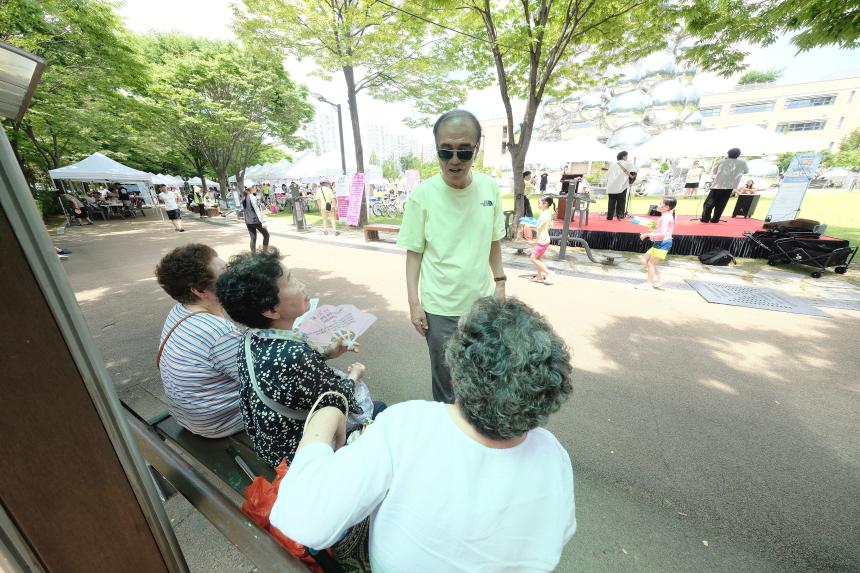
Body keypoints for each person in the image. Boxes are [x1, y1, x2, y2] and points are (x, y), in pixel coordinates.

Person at [270, 297, 576, 572]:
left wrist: (327, 411)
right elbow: (558, 537)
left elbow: (303, 519)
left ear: (457, 365)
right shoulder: (552, 455)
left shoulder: (410, 425)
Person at [215, 250, 366, 467]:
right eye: (291, 281)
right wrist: (354, 374)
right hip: (300, 455)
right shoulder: (295, 355)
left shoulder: (250, 337)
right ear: (270, 310)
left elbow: (292, 382)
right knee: (382, 412)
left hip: (270, 445)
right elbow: (337, 402)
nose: (302, 285)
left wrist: (327, 354)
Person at [397, 109, 506, 404]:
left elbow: (494, 241)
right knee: (446, 382)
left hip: (481, 305)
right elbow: (414, 254)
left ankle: (479, 434)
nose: (454, 161)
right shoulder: (423, 195)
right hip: (439, 308)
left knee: (483, 374)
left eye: (463, 151)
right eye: (446, 152)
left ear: (476, 149)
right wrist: (414, 304)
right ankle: (447, 437)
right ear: (437, 151)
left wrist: (500, 283)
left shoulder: (490, 189)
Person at [154, 244, 244, 438]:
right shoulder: (218, 332)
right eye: (224, 271)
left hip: (188, 417)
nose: (233, 274)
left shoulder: (180, 311)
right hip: (220, 424)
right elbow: (261, 378)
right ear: (200, 291)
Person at [636, 196, 677, 290]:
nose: (657, 205)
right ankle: (660, 277)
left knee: (650, 263)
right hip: (660, 242)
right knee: (644, 260)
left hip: (663, 243)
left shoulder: (666, 217)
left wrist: (647, 234)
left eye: (660, 203)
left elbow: (662, 234)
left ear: (666, 207)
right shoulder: (666, 215)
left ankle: (649, 284)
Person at [702, 148, 748, 223]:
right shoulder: (743, 163)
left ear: (728, 153)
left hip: (718, 185)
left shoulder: (722, 161)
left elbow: (714, 171)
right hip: (730, 186)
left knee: (709, 203)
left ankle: (705, 218)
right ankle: (715, 219)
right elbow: (746, 171)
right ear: (738, 155)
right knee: (722, 204)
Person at [528, 196, 555, 284]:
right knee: (537, 258)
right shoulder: (546, 213)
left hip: (542, 241)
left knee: (533, 258)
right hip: (543, 240)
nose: (538, 205)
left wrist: (528, 225)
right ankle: (539, 277)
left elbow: (538, 226)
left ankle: (549, 273)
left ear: (545, 204)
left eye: (539, 203)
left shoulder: (545, 214)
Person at [606, 150, 635, 220]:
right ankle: (620, 216)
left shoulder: (612, 164)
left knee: (611, 202)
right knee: (621, 201)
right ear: (624, 156)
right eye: (627, 156)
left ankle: (609, 216)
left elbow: (608, 175)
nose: (627, 157)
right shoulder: (627, 164)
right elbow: (635, 169)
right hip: (621, 186)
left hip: (611, 186)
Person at [242, 184, 270, 253]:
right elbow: (257, 210)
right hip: (255, 220)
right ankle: (265, 252)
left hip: (248, 221)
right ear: (251, 188)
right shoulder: (252, 197)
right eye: (255, 187)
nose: (256, 188)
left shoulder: (244, 197)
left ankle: (253, 255)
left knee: (253, 238)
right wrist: (263, 221)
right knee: (266, 235)